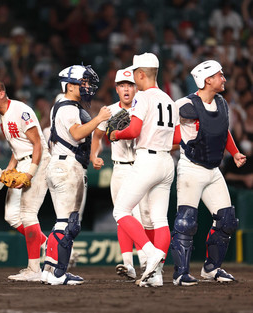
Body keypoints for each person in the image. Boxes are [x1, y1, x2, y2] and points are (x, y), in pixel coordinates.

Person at [170, 60, 247, 286]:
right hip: (191, 168)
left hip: (214, 170)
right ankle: (180, 273)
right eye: (219, 75)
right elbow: (162, 126)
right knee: (186, 222)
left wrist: (234, 153)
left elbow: (223, 131)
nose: (224, 78)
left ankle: (211, 268)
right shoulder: (184, 104)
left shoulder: (222, 103)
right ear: (207, 80)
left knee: (227, 220)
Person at [109, 53, 181, 288]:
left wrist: (116, 134)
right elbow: (178, 138)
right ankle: (156, 275)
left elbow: (133, 130)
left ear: (141, 74)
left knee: (121, 211)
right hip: (167, 161)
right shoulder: (170, 100)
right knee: (159, 219)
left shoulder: (143, 98)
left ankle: (151, 253)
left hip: (147, 160)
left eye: (135, 75)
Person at [41, 64, 111, 285]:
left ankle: (49, 269)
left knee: (62, 222)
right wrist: (99, 119)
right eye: (84, 82)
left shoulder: (61, 105)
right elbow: (77, 133)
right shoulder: (69, 108)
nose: (87, 86)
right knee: (68, 223)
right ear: (70, 86)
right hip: (67, 167)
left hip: (61, 164)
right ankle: (58, 273)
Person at [0, 79, 50, 282]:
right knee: (12, 216)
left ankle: (34, 268)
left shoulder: (20, 110)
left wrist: (29, 174)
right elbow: (16, 147)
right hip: (21, 161)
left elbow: (37, 144)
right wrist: (8, 170)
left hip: (38, 161)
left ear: (1, 93)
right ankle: (51, 246)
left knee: (28, 215)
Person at [90, 68, 148, 281]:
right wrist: (94, 156)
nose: (126, 88)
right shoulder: (109, 110)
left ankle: (145, 262)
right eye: (122, 85)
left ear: (136, 88)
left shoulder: (144, 107)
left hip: (142, 166)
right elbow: (96, 138)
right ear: (116, 88)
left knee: (142, 217)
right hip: (120, 168)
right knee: (122, 217)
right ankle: (128, 265)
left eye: (130, 85)